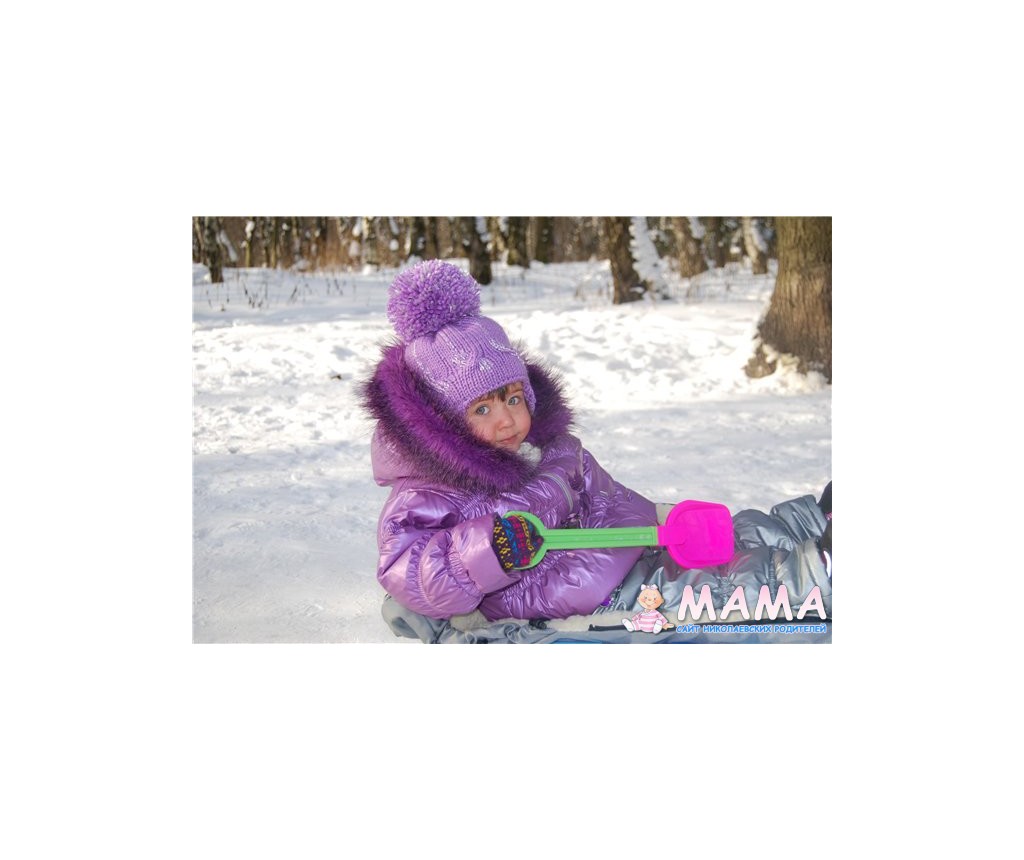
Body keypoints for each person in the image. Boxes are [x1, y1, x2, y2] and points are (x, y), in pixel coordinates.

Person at [360, 260, 831, 631]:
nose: (506, 420)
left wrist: (659, 518)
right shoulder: (429, 493)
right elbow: (408, 570)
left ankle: (810, 520)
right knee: (710, 590)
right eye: (482, 409)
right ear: (442, 426)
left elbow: (607, 496)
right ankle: (817, 576)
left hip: (629, 545)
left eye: (513, 398)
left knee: (727, 536)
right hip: (590, 594)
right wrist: (486, 553)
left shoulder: (553, 451)